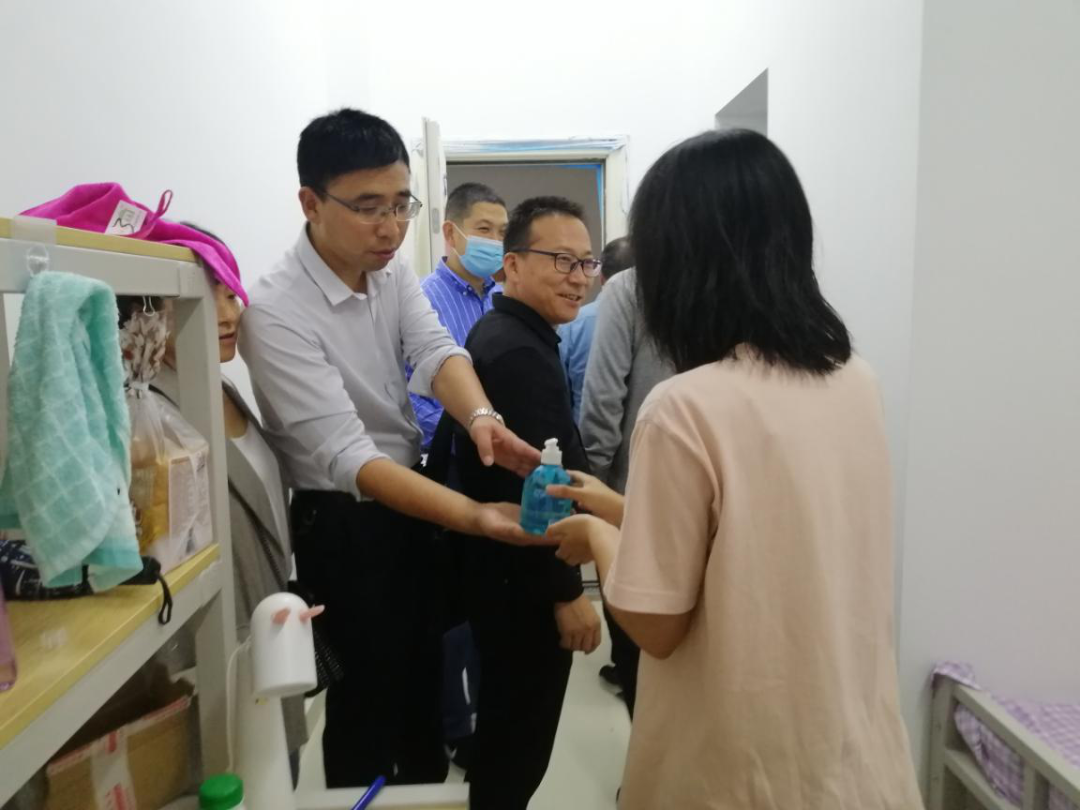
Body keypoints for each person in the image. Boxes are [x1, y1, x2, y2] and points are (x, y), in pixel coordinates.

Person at [546, 129, 923, 810]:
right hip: (848, 755)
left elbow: (657, 624)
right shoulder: (854, 381)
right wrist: (620, 506)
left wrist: (599, 536)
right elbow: (759, 543)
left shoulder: (684, 408)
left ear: (678, 265)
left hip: (738, 767)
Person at [238, 108, 541, 788]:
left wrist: (482, 417)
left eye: (402, 204)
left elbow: (435, 350)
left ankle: (423, 782)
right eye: (368, 207)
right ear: (310, 203)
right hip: (343, 522)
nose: (391, 226)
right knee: (366, 706)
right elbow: (350, 458)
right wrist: (476, 516)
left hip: (410, 502)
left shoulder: (389, 269)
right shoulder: (275, 310)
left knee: (423, 687)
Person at [118, 226, 317, 785]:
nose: (228, 314)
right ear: (146, 316)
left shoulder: (221, 389)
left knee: (277, 777)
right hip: (204, 657)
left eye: (231, 292)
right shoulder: (146, 421)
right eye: (206, 298)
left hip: (264, 626)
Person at [441, 197, 603, 810]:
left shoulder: (511, 332)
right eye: (561, 260)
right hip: (522, 584)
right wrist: (566, 595)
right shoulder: (518, 351)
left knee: (506, 733)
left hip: (503, 573)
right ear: (511, 265)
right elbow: (537, 489)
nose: (578, 277)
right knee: (518, 745)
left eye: (585, 263)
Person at [578, 257, 675, 715]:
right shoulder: (747, 286)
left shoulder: (631, 288)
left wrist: (594, 493)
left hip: (630, 494)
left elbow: (602, 402)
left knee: (637, 642)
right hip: (716, 500)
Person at [410, 182, 508, 452]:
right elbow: (409, 394)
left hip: (506, 447)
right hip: (451, 454)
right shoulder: (421, 301)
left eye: (502, 232)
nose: (496, 241)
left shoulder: (505, 299)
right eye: (484, 229)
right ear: (451, 233)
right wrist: (461, 437)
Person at [558, 235, 633, 423]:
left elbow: (560, 394)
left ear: (601, 277)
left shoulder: (571, 324)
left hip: (583, 435)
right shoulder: (661, 327)